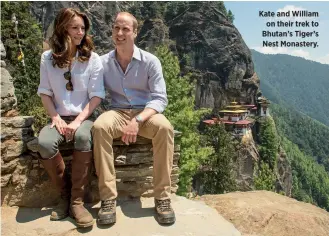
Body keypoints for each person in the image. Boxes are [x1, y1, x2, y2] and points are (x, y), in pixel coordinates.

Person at [92, 12, 176, 225]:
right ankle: (108, 199)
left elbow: (159, 99)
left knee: (165, 128)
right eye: (116, 28)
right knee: (100, 127)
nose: (120, 33)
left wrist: (137, 121)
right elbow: (93, 92)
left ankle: (162, 198)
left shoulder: (150, 61)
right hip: (118, 111)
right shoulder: (102, 63)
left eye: (125, 29)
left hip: (145, 113)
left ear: (135, 33)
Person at [37, 8, 105, 228]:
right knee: (45, 142)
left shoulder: (92, 59)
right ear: (62, 28)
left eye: (83, 28)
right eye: (74, 27)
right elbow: (45, 92)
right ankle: (64, 196)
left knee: (84, 137)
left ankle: (77, 201)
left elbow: (96, 96)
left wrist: (77, 121)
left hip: (83, 116)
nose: (79, 32)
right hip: (58, 117)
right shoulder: (47, 58)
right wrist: (55, 117)